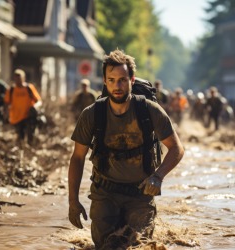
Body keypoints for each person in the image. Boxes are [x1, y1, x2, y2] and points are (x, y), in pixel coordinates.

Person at [68, 49, 184, 249]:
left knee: (138, 245)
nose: (117, 86)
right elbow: (77, 158)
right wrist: (73, 201)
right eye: (111, 80)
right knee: (106, 246)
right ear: (104, 81)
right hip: (104, 193)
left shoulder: (149, 111)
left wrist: (158, 176)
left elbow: (177, 149)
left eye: (122, 80)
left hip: (141, 194)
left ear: (132, 80)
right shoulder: (92, 114)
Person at [4, 69, 42, 145]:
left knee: (30, 135)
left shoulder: (29, 88)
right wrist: (6, 115)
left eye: (20, 78)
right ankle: (21, 151)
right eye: (16, 78)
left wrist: (34, 107)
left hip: (28, 116)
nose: (18, 80)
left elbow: (39, 101)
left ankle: (30, 150)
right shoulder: (11, 90)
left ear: (23, 78)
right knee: (20, 136)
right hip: (16, 118)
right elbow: (6, 103)